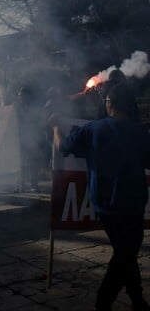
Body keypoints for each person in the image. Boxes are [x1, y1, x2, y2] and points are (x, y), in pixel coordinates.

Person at [50, 83, 150, 311]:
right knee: (126, 253)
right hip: (133, 206)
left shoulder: (94, 129)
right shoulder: (139, 133)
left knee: (125, 254)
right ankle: (108, 302)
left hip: (105, 208)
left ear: (110, 104)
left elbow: (64, 146)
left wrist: (56, 129)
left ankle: (133, 299)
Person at [15, 86, 44, 193]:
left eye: (22, 95)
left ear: (28, 96)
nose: (20, 97)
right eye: (19, 95)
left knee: (33, 163)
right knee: (19, 163)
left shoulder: (35, 108)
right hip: (19, 139)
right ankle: (19, 185)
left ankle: (34, 185)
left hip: (32, 138)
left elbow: (39, 123)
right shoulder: (14, 108)